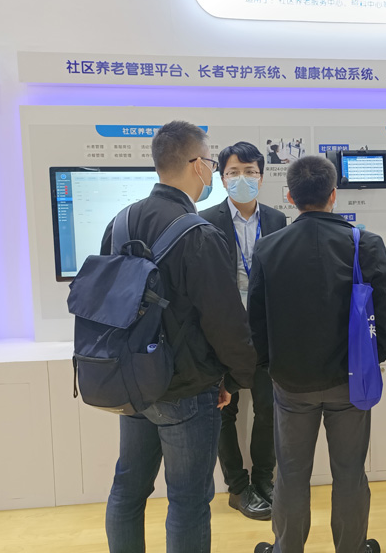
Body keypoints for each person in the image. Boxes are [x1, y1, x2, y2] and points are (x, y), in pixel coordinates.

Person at [102, 121, 257, 553]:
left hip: (131, 380)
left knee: (128, 489)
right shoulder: (200, 233)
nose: (212, 171)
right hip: (186, 387)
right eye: (211, 162)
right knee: (188, 501)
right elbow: (225, 321)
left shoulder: (120, 222)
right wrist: (237, 377)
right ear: (195, 164)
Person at [249, 156, 386, 553]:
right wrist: (375, 358)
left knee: (291, 473)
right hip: (350, 381)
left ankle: (286, 548)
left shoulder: (267, 248)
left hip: (290, 383)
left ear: (290, 197)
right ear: (333, 194)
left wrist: (269, 367)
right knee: (350, 472)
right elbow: (385, 314)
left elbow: (256, 321)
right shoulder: (365, 244)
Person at [199, 141, 286, 521]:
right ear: (222, 178)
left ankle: (264, 479)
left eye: (250, 172)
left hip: (265, 331)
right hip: (222, 332)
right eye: (234, 172)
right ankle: (237, 487)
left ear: (262, 177)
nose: (242, 179)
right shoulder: (206, 220)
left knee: (268, 409)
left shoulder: (277, 220)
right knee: (224, 410)